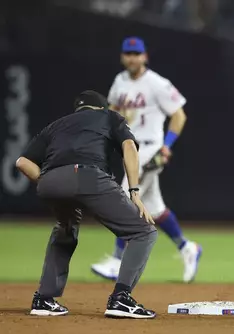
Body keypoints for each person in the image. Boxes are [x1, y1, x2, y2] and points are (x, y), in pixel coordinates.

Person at [16, 90, 158, 319]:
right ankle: (121, 299)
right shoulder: (109, 116)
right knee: (143, 231)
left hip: (50, 181)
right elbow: (129, 147)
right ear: (101, 107)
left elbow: (22, 162)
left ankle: (44, 299)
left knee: (65, 229)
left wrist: (51, 181)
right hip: (88, 175)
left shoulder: (56, 125)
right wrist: (134, 192)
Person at [90, 37, 202, 283]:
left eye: (136, 53)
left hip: (149, 150)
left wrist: (166, 147)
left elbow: (179, 115)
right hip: (129, 150)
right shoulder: (120, 81)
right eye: (128, 53)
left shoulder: (157, 84)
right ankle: (187, 248)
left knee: (123, 197)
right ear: (122, 56)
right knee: (155, 208)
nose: (132, 57)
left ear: (145, 56)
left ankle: (118, 259)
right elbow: (112, 111)